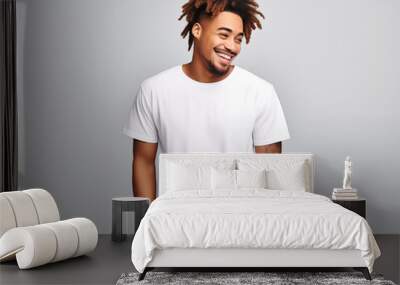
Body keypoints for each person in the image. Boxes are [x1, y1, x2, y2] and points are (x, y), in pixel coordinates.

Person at [122, 0, 290, 201]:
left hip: (240, 218)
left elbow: (270, 171)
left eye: (238, 39)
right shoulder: (154, 90)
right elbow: (143, 162)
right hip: (177, 219)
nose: (232, 47)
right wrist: (147, 225)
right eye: (224, 34)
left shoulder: (260, 91)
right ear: (197, 30)